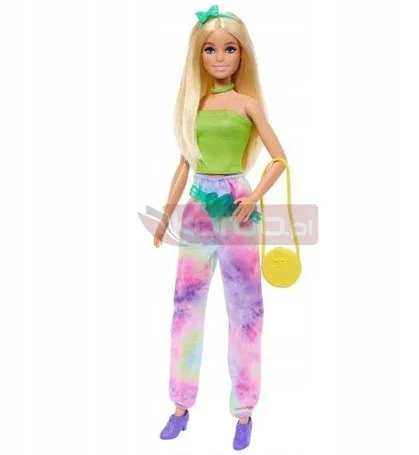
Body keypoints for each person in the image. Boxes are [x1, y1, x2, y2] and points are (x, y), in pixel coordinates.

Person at [153, 4, 288, 450]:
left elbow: (280, 159)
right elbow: (183, 165)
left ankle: (244, 409)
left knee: (245, 308)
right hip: (197, 208)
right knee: (185, 306)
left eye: (229, 49)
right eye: (210, 49)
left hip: (237, 209)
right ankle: (180, 405)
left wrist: (254, 196)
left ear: (242, 53)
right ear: (199, 55)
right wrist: (166, 215)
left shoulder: (248, 105)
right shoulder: (194, 105)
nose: (220, 57)